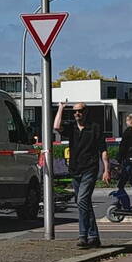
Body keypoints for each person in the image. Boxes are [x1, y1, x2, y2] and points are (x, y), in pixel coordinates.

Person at [54, 101, 110, 249]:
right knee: (83, 204)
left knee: (82, 200)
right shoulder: (71, 128)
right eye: (74, 112)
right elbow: (56, 127)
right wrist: (60, 108)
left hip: (89, 169)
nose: (77, 114)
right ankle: (94, 237)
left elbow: (103, 149)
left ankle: (83, 235)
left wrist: (106, 169)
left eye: (79, 111)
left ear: (85, 112)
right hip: (75, 169)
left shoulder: (95, 128)